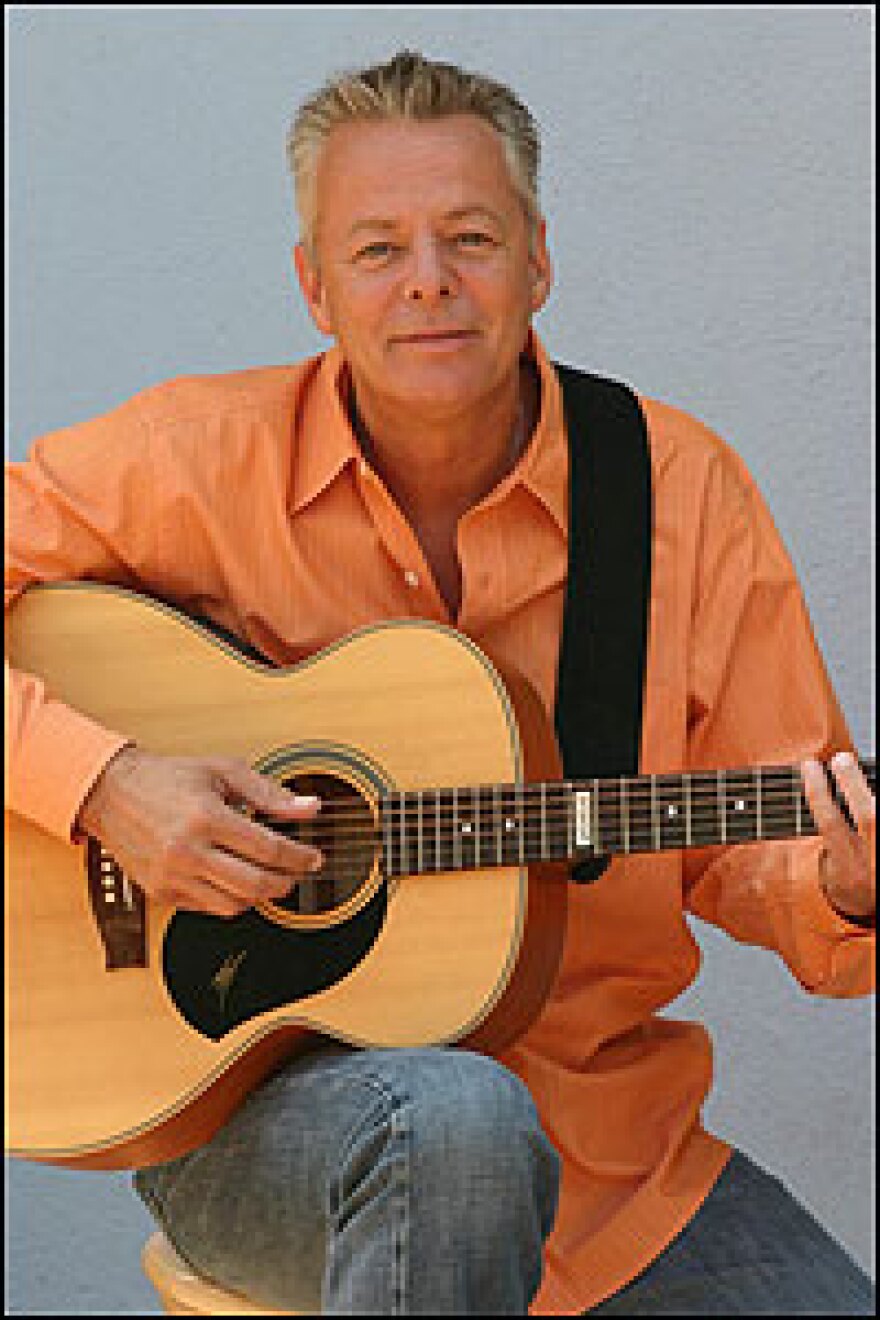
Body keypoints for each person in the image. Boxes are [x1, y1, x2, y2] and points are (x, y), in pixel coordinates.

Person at [5, 49, 875, 1316]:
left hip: (612, 1163)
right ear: (314, 286)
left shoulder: (678, 493)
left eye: (470, 236)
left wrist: (844, 882)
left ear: (537, 259)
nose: (429, 282)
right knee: (455, 1122)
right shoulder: (192, 465)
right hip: (263, 1128)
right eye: (377, 249)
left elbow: (765, 850)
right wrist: (105, 784)